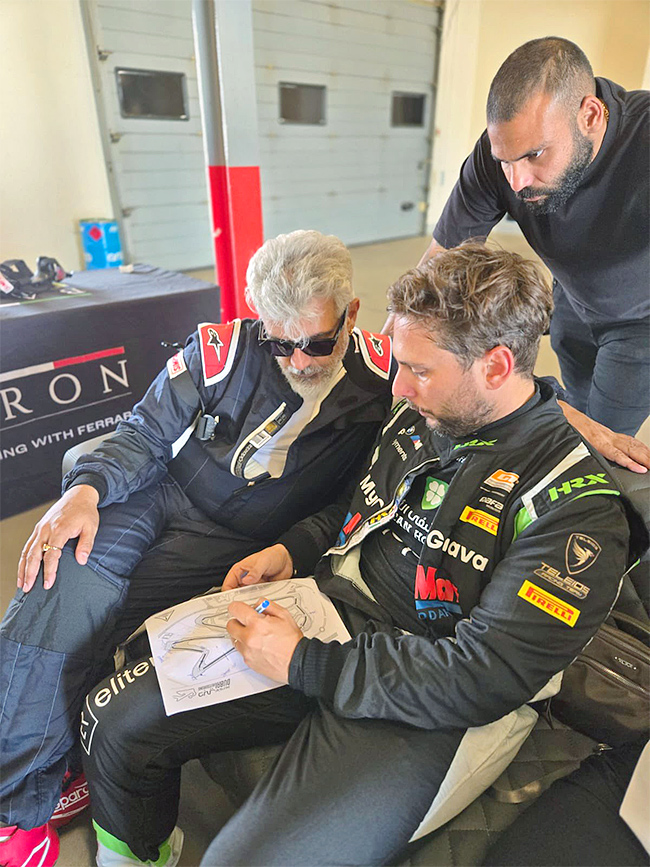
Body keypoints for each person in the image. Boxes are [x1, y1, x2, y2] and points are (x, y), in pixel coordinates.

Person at [79, 244, 647, 867]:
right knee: (115, 723)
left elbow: (484, 676)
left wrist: (303, 663)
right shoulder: (420, 415)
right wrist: (291, 549)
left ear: (495, 365)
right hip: (325, 615)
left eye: (419, 370)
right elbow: (359, 508)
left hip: (433, 698)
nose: (397, 385)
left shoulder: (575, 508)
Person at [0, 230, 397, 867]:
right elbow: (144, 432)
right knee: (56, 588)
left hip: (243, 541)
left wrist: (295, 546)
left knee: (112, 628)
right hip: (162, 496)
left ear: (351, 315)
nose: (297, 361)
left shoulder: (388, 378)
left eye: (317, 343)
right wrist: (87, 488)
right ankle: (18, 808)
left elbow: (470, 397)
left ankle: (64, 761)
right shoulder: (219, 350)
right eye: (280, 342)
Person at [420, 37, 650, 437]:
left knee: (601, 444)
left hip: (640, 324)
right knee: (574, 411)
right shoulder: (500, 158)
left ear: (590, 115)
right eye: (505, 161)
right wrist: (399, 344)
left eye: (534, 155)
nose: (518, 181)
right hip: (573, 301)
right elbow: (441, 262)